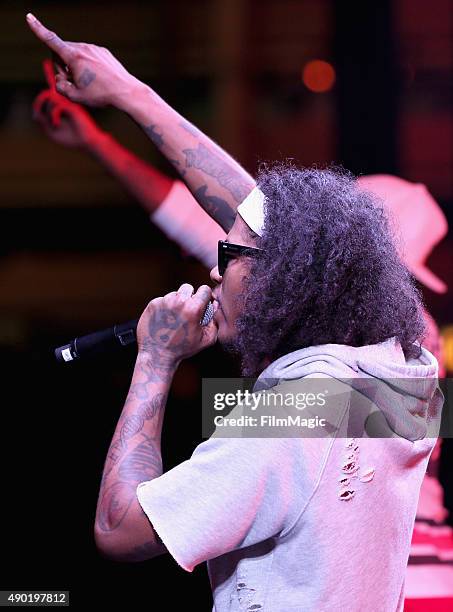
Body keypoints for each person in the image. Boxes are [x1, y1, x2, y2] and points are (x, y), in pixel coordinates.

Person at [27, 14, 444, 611]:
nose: (216, 270)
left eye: (232, 256)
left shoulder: (291, 422)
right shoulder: (407, 380)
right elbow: (260, 220)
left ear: (287, 276)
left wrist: (155, 360)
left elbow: (119, 532)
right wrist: (128, 92)